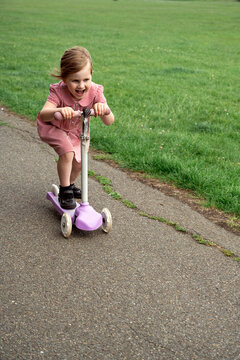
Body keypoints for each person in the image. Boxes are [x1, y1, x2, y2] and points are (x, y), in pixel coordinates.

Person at [37, 46, 114, 209]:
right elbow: (44, 114)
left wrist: (103, 109)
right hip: (53, 126)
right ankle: (65, 191)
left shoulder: (96, 92)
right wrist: (58, 110)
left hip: (76, 131)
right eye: (75, 80)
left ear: (91, 75)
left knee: (79, 161)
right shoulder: (58, 91)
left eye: (86, 79)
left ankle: (70, 185)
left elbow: (109, 121)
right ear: (65, 79)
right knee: (68, 153)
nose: (81, 85)